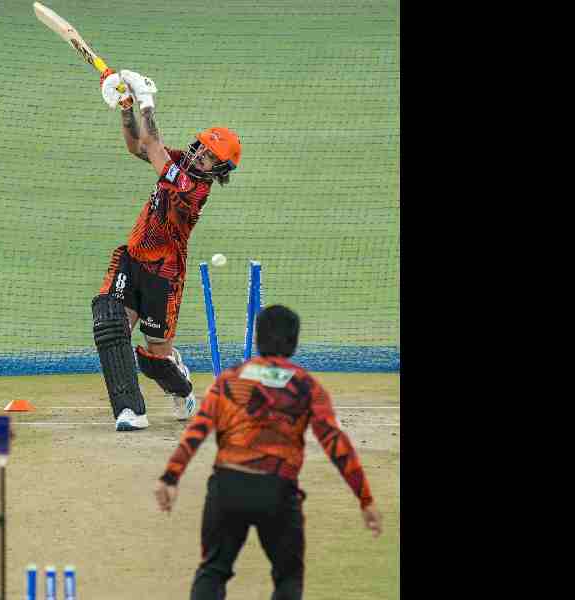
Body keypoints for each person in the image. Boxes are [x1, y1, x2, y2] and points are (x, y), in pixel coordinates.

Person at [154, 305, 383, 599]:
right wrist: (365, 499)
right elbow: (336, 444)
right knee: (287, 578)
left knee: (213, 571)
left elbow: (196, 431)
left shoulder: (229, 380)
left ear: (258, 338)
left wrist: (170, 478)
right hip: (277, 492)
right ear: (294, 341)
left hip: (227, 488)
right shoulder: (306, 385)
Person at [92, 68, 242, 431]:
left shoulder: (193, 192)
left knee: (156, 359)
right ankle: (130, 410)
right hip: (133, 259)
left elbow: (155, 147)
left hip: (164, 276)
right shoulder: (180, 164)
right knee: (111, 325)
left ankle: (180, 383)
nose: (197, 155)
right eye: (200, 146)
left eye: (207, 156)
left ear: (216, 171)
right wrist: (126, 106)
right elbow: (139, 146)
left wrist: (147, 103)